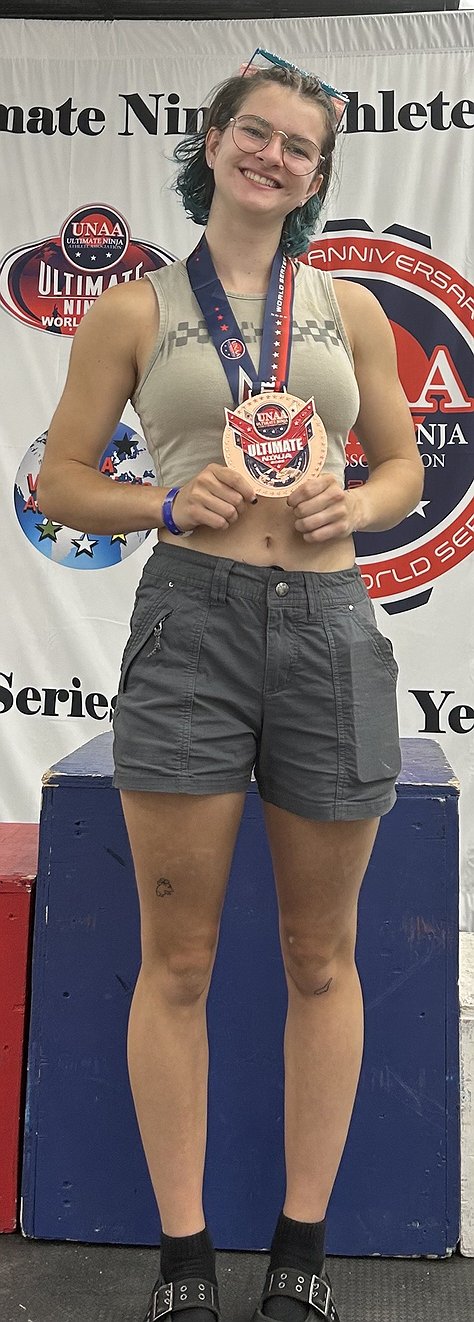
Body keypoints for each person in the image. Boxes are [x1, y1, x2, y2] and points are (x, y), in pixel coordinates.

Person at [38, 48, 424, 1322]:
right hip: (191, 622)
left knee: (322, 951)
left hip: (328, 624)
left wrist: (352, 500)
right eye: (254, 132)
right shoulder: (133, 308)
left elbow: (402, 471)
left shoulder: (350, 307)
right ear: (211, 143)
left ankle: (301, 1244)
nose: (273, 156)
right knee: (182, 955)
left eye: (299, 146)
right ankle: (184, 1256)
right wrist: (164, 499)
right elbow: (59, 481)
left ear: (317, 176)